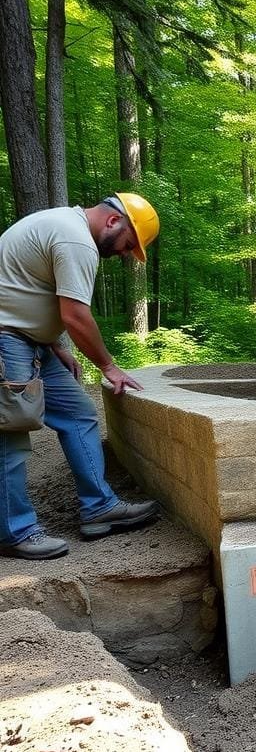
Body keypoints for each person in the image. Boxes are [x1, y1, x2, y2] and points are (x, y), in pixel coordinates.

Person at [0, 193, 162, 559]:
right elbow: (75, 314)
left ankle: (99, 507)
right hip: (7, 340)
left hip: (30, 341)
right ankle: (14, 531)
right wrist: (107, 365)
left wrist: (52, 343)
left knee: (78, 414)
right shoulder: (76, 240)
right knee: (9, 434)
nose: (124, 254)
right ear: (114, 222)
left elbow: (33, 289)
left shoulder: (63, 226)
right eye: (128, 245)